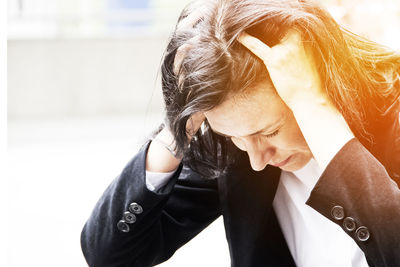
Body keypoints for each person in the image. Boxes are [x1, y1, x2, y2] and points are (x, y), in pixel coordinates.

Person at [80, 0, 400, 266]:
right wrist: (180, 123)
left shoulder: (393, 112)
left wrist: (313, 105)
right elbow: (111, 256)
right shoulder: (239, 148)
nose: (257, 160)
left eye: (270, 131)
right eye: (234, 136)